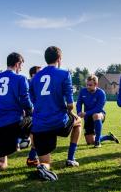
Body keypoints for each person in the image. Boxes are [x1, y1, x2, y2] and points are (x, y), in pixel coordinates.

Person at [30, 46, 82, 181]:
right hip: (58, 122)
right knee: (78, 122)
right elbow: (70, 105)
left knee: (46, 162)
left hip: (40, 124)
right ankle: (71, 158)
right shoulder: (64, 74)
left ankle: (42, 167)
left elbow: (33, 101)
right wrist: (68, 111)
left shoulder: (35, 78)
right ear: (59, 59)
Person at [76, 75, 119, 148]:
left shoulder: (101, 93)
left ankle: (98, 142)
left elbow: (98, 108)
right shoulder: (83, 91)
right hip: (88, 117)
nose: (88, 87)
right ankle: (109, 137)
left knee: (96, 115)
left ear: (96, 84)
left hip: (100, 115)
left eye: (90, 85)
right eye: (87, 84)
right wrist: (79, 112)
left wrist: (85, 113)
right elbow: (79, 103)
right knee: (90, 142)